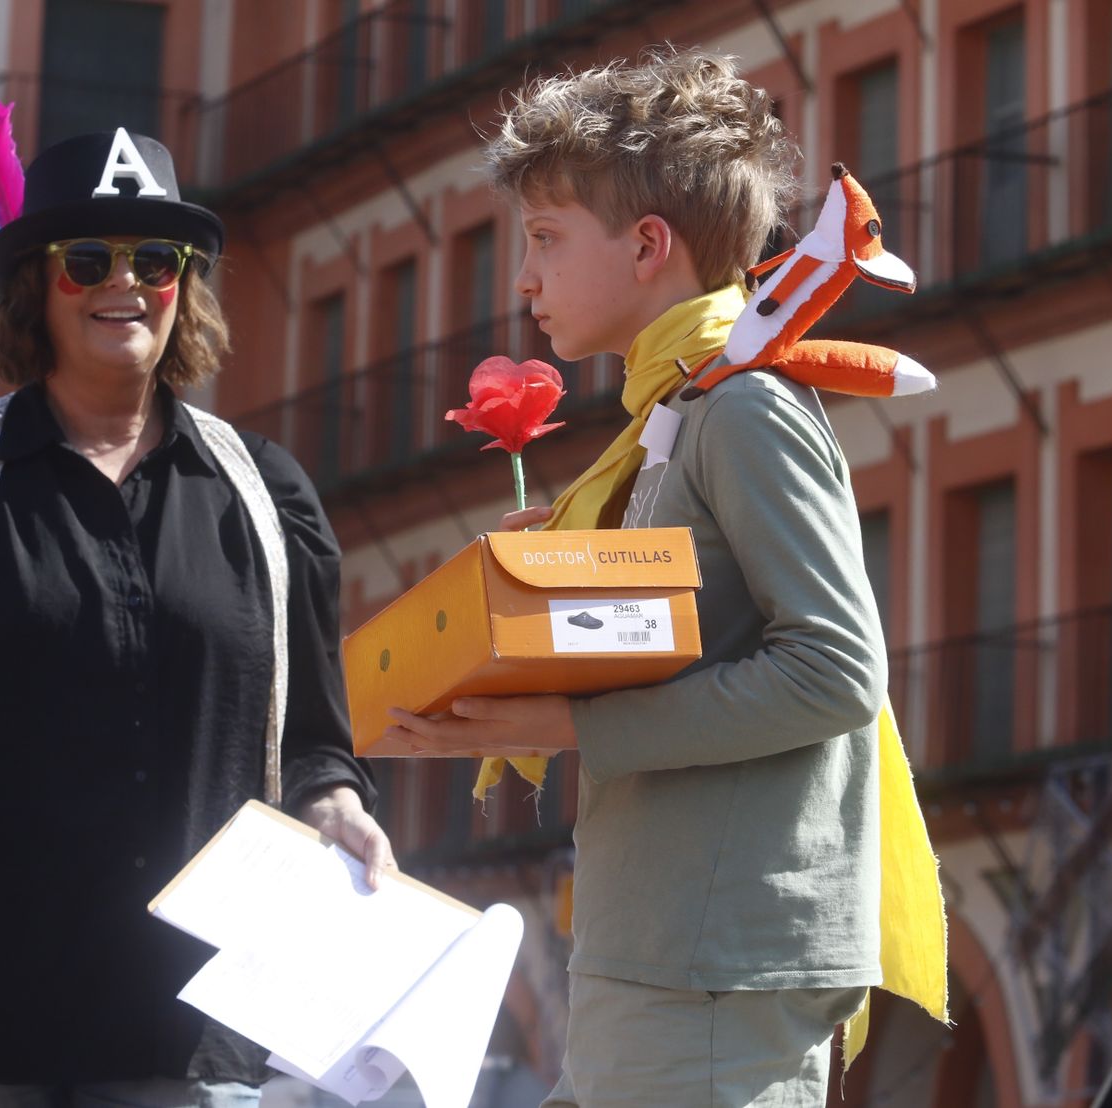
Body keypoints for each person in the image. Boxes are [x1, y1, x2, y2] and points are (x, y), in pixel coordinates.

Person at [0, 128, 393, 1108]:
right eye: (89, 261)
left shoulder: (264, 491)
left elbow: (316, 734)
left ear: (183, 285)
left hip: (189, 1021)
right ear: (37, 285)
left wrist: (337, 802)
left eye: (156, 260)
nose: (127, 283)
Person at [384, 49, 888, 1105]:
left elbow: (835, 671)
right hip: (672, 948)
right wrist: (544, 603)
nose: (522, 278)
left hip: (711, 960)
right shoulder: (682, 412)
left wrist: (568, 725)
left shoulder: (739, 409)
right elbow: (693, 636)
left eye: (544, 239)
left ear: (648, 245)